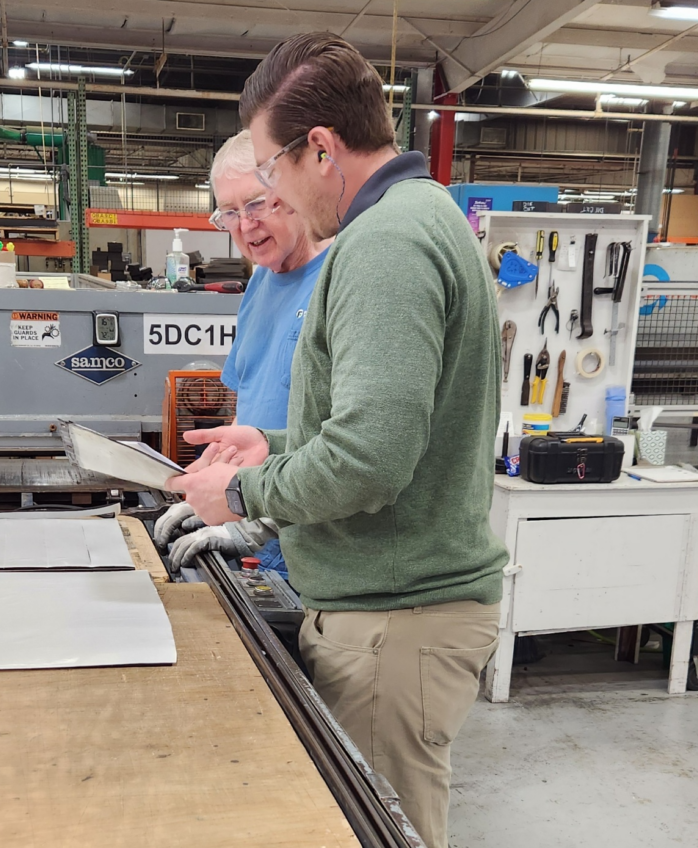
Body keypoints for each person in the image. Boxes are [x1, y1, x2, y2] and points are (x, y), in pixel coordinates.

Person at [166, 33, 508, 848]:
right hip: (391, 608)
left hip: (398, 617)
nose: (268, 196)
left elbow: (370, 461)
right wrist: (272, 444)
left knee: (386, 830)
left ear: (319, 148)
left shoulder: (384, 244)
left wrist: (241, 492)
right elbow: (386, 429)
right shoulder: (420, 218)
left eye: (269, 171)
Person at [153, 129, 330, 571]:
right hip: (254, 530)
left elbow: (353, 450)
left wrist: (252, 521)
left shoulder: (339, 280)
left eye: (255, 204)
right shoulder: (260, 282)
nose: (245, 225)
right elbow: (247, 413)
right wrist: (214, 483)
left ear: (292, 192)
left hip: (315, 546)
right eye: (228, 213)